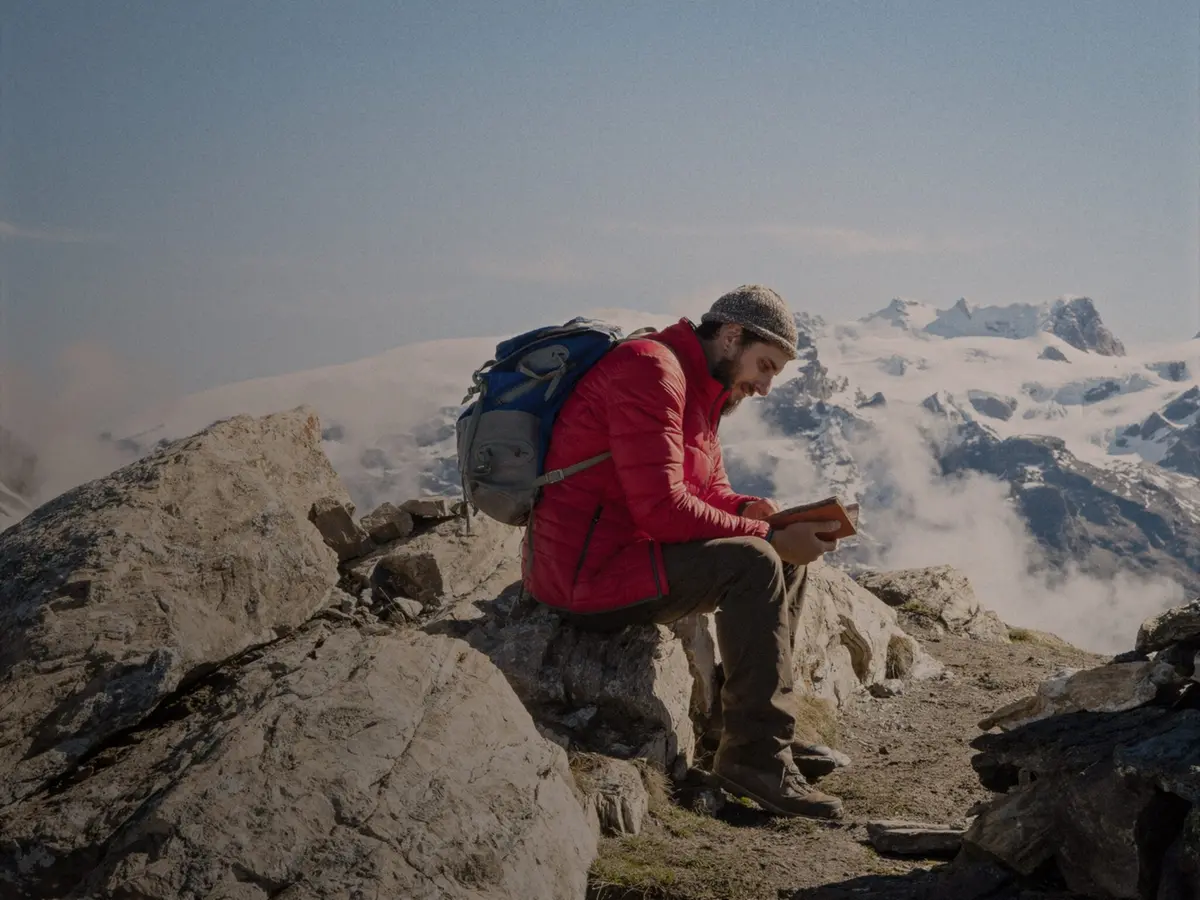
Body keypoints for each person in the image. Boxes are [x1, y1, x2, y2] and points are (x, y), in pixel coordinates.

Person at [522, 284, 847, 819]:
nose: (764, 386)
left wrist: (753, 511)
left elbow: (705, 489)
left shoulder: (703, 386)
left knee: (775, 550)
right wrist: (766, 539)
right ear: (731, 335)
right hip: (585, 577)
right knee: (756, 561)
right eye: (763, 366)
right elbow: (661, 508)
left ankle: (752, 733)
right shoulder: (650, 370)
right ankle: (755, 763)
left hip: (631, 556)